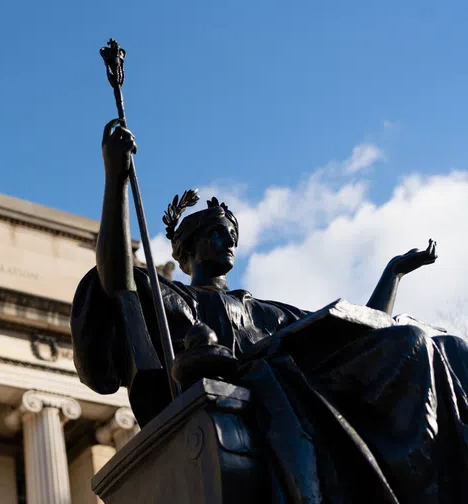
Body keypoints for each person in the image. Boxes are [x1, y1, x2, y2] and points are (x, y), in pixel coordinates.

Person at [71, 119, 468, 503]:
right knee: (410, 341)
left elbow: (362, 335)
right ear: (187, 250)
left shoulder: (267, 310)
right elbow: (117, 282)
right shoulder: (168, 298)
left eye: (232, 233)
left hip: (302, 385)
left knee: (448, 347)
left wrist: (392, 274)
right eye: (215, 232)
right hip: (255, 394)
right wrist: (116, 180)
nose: (228, 238)